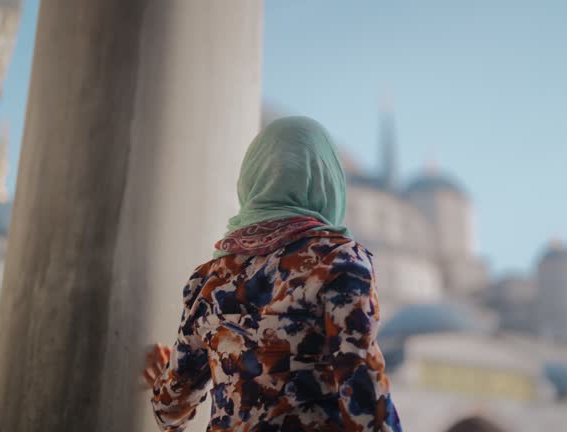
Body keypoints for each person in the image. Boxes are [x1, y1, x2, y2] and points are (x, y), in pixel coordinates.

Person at [141, 116, 402, 431]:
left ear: (252, 181)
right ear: (327, 180)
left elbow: (170, 407)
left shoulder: (209, 280)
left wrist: (163, 380)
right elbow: (363, 395)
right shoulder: (339, 261)